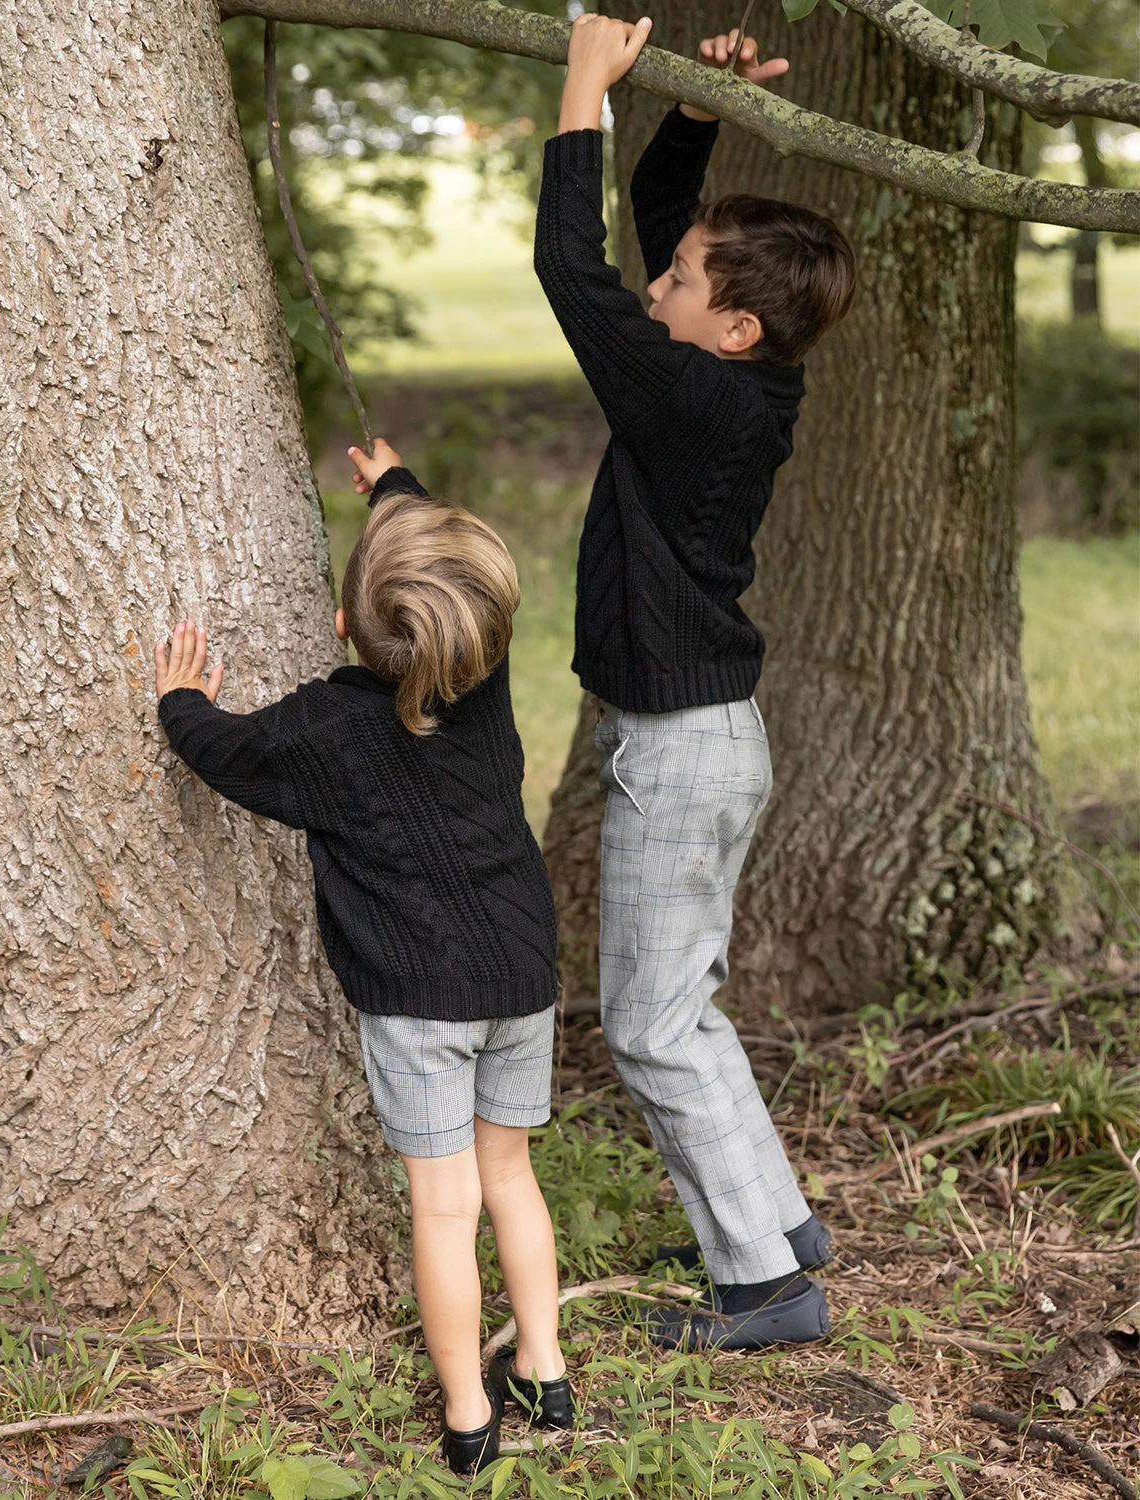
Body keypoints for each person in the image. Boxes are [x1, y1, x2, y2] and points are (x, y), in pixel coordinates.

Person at [153, 443, 573, 1471]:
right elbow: (452, 583)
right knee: (510, 1179)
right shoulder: (483, 673)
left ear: (343, 624)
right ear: (481, 631)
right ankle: (549, 1372)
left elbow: (225, 752)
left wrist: (178, 702)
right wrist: (398, 486)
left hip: (421, 998)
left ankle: (471, 1417)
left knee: (444, 1207)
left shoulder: (323, 733)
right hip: (523, 974)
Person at [534, 17, 857, 1351]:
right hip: (704, 735)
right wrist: (698, 113)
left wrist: (581, 88)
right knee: (682, 1012)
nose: (650, 283)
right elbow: (671, 222)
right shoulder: (736, 377)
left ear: (723, 328)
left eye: (674, 281)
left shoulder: (690, 397)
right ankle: (771, 1229)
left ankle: (767, 1295)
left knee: (652, 1026)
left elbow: (568, 265)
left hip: (684, 749)